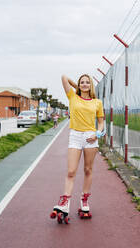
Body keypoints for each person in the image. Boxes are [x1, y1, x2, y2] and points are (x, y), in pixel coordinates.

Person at [50, 74, 104, 223]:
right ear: (79, 85)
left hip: (90, 138)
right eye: (82, 82)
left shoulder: (97, 102)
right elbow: (63, 77)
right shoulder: (73, 97)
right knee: (71, 171)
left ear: (91, 85)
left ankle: (84, 200)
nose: (85, 84)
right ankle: (65, 202)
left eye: (88, 82)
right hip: (75, 136)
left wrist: (97, 134)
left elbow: (101, 122)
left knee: (88, 170)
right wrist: (77, 87)